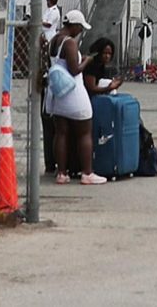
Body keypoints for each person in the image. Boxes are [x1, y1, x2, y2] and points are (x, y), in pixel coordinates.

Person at [44, 10, 105, 186]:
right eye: (80, 28)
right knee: (85, 131)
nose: (80, 31)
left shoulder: (53, 40)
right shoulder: (69, 43)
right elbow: (75, 69)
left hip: (57, 93)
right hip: (73, 92)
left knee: (61, 132)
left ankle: (61, 173)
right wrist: (86, 60)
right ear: (75, 25)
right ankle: (87, 172)